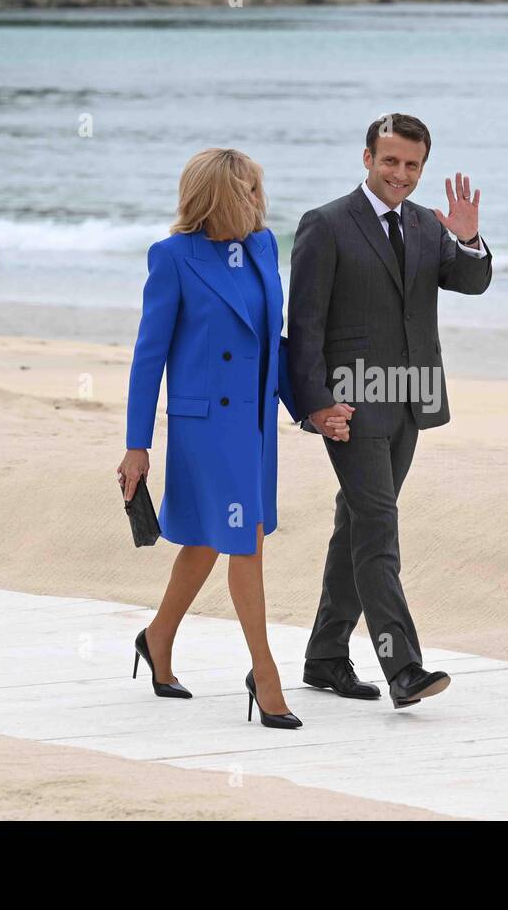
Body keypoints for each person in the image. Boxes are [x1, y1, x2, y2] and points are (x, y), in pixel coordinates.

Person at [286, 114, 493, 709]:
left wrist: (469, 240)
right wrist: (315, 405)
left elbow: (471, 283)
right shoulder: (325, 225)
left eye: (412, 165)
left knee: (357, 524)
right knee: (378, 528)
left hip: (411, 399)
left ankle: (325, 656)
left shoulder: (429, 225)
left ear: (423, 167)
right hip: (350, 403)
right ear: (367, 158)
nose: (400, 174)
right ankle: (402, 665)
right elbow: (304, 327)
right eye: (390, 161)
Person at [118, 148, 312, 729]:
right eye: (247, 190)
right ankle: (265, 674)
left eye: (259, 188)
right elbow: (148, 356)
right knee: (244, 541)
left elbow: (274, 342)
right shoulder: (173, 258)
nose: (258, 199)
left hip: (254, 424)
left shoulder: (263, 246)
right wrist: (136, 444)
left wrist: (307, 410)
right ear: (219, 196)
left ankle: (156, 639)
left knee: (206, 542)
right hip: (205, 429)